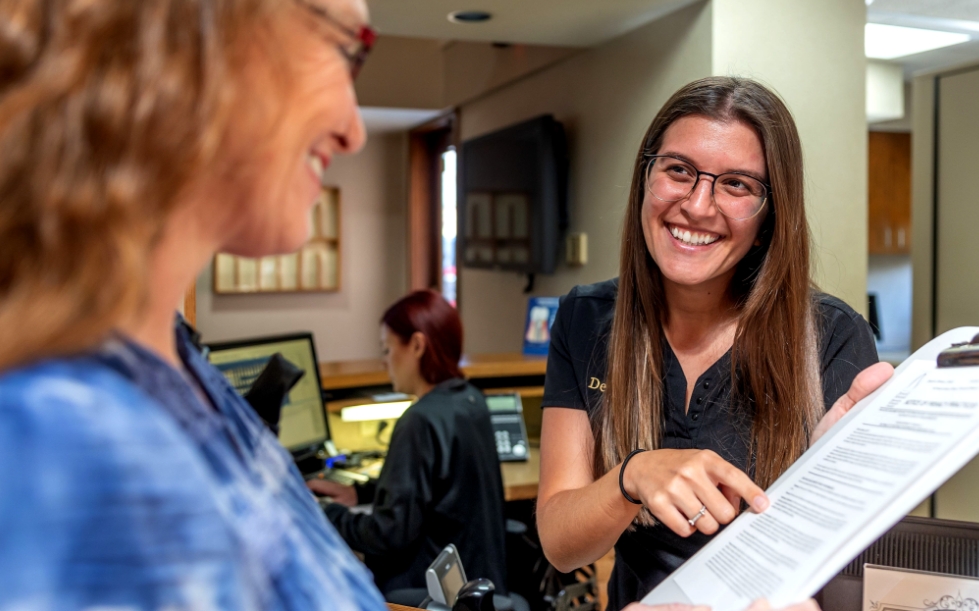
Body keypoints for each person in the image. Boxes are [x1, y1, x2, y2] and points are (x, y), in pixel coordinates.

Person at [0, 0, 386, 608]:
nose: (354, 129)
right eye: (346, 48)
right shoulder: (67, 446)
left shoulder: (182, 376)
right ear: (199, 32)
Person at [536, 76, 894, 611]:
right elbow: (562, 546)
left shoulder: (833, 337)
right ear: (646, 177)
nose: (698, 206)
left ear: (770, 215)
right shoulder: (586, 319)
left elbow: (856, 570)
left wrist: (815, 487)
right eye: (679, 171)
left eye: (737, 185)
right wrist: (632, 476)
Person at [307, 290, 508, 603]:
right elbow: (433, 491)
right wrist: (359, 494)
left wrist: (325, 512)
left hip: (428, 592)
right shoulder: (471, 401)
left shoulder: (419, 421)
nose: (385, 362)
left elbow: (388, 533)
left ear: (416, 345)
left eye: (387, 350)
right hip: (475, 584)